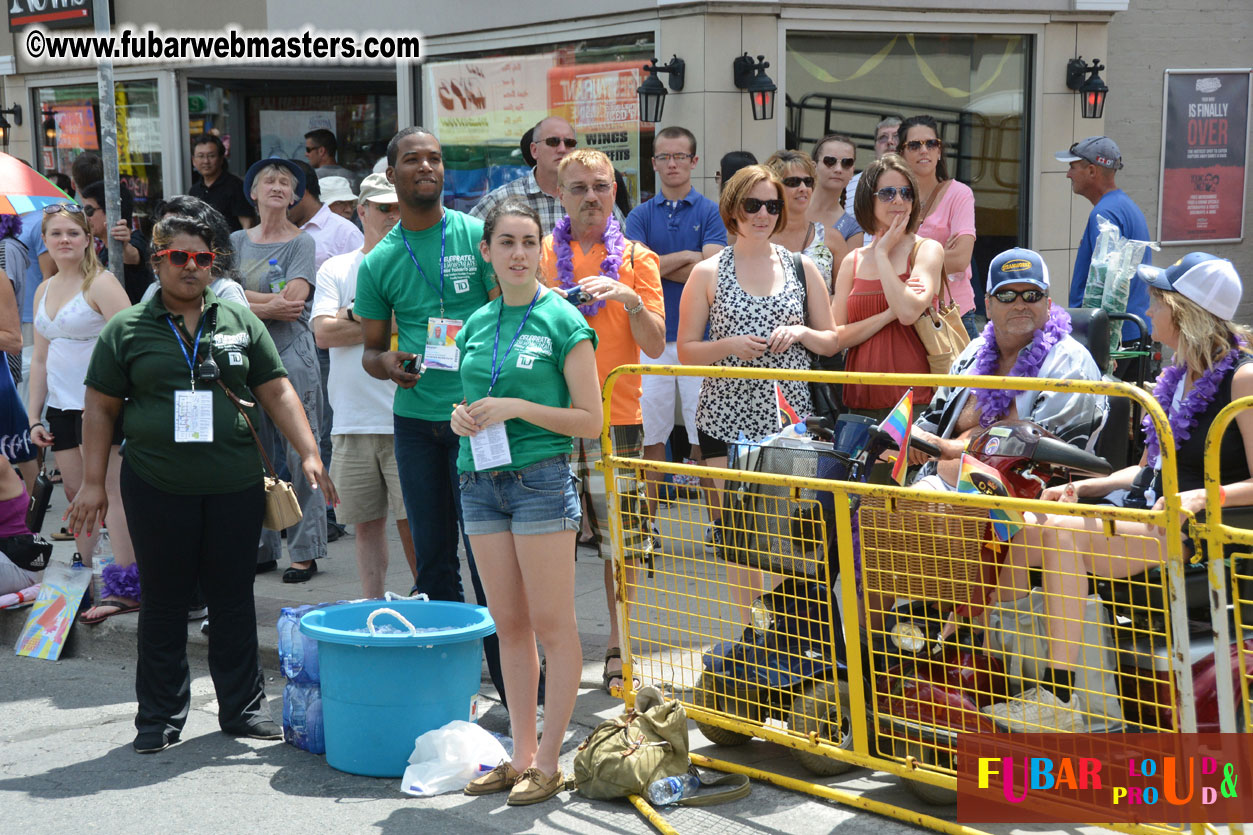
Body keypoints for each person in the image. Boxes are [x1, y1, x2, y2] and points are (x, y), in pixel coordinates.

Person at [66, 211, 337, 754]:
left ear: (215, 262)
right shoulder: (128, 328)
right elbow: (98, 409)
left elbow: (277, 390)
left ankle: (243, 709)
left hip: (233, 485)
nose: (191, 268)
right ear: (159, 259)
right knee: (165, 601)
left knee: (233, 598)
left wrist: (309, 453)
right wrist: (93, 483)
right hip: (156, 485)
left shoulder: (238, 318)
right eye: (178, 257)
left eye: (203, 258)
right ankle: (159, 717)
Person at [985, 252, 1251, 731]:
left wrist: (1202, 498)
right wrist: (1085, 486)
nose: (1149, 313)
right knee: (1032, 526)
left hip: (1200, 531)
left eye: (1156, 303)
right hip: (1151, 514)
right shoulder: (1177, 376)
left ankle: (1067, 697)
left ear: (1185, 311)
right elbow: (1150, 469)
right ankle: (1001, 667)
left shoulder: (1243, 378)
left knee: (1065, 536)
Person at [454, 199, 600, 806]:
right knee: (508, 627)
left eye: (528, 242)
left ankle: (549, 760)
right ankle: (518, 757)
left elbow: (590, 421)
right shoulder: (476, 321)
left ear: (540, 249)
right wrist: (460, 419)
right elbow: (466, 400)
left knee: (552, 627)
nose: (517, 253)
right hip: (479, 482)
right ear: (486, 251)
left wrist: (517, 409)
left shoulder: (562, 319)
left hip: (541, 480)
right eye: (505, 242)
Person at [356, 128, 505, 699]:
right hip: (417, 425)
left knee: (490, 555)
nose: (426, 166)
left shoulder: (475, 236)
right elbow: (370, 351)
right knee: (436, 562)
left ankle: (520, 682)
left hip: (478, 420)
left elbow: (510, 313)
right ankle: (449, 681)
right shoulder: (380, 262)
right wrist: (388, 362)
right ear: (392, 176)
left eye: (435, 158)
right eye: (413, 159)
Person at [677, 164, 838, 622]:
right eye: (753, 205)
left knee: (789, 529)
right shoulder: (708, 271)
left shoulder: (802, 267)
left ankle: (789, 629)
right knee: (738, 529)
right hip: (725, 419)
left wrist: (802, 331)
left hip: (790, 420)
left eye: (772, 205)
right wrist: (729, 347)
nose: (764, 214)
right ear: (733, 209)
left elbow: (832, 340)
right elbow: (687, 350)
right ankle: (751, 626)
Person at [539, 148, 665, 694]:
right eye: (580, 188)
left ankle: (620, 644)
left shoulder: (638, 257)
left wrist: (631, 299)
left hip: (619, 420)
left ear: (616, 190)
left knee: (623, 543)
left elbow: (656, 345)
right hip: (549, 421)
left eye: (601, 186)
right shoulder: (540, 253)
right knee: (550, 541)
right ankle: (557, 647)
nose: (592, 196)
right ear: (559, 194)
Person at [912, 248, 1108, 486]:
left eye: (1032, 295)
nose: (1019, 304)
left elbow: (1046, 459)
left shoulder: (1070, 363)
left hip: (1028, 505)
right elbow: (931, 423)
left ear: (1048, 303)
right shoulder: (971, 355)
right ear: (988, 305)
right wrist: (905, 438)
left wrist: (952, 448)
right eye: (1006, 295)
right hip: (941, 489)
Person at [28, 203, 139, 623]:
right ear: (46, 240)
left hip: (103, 406)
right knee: (76, 496)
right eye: (56, 234)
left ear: (88, 239)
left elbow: (133, 343)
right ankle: (86, 576)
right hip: (60, 407)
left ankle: (127, 585)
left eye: (72, 233)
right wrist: (34, 417)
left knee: (110, 496)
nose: (64, 241)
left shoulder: (102, 283)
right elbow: (40, 359)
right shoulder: (44, 288)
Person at [311, 173, 417, 598]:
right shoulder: (336, 267)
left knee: (415, 526)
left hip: (408, 417)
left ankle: (428, 603)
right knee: (366, 527)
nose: (393, 215)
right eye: (383, 207)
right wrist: (376, 319)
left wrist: (349, 316)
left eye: (398, 207)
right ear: (362, 210)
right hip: (352, 421)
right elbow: (322, 335)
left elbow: (431, 330)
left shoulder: (419, 265)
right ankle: (371, 610)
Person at [624, 126, 726, 548]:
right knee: (651, 435)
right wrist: (689, 257)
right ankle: (646, 529)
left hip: (698, 341)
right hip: (650, 341)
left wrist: (659, 264)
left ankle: (721, 528)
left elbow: (715, 270)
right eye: (664, 156)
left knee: (708, 436)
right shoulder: (639, 215)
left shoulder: (711, 211)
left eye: (680, 156)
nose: (672, 164)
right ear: (653, 163)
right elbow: (632, 270)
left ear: (694, 162)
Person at [232, 158, 325, 583]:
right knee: (255, 454)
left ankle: (304, 551)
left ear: (293, 196)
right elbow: (219, 296)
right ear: (252, 192)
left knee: (300, 452)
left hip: (291, 354)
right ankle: (262, 546)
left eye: (285, 183)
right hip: (245, 353)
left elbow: (294, 301)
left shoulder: (301, 243)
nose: (275, 186)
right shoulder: (234, 240)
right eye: (267, 180)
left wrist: (243, 302)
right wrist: (266, 304)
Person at [832, 154, 944, 420]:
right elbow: (835, 337)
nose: (898, 200)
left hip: (914, 402)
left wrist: (881, 255)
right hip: (860, 402)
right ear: (867, 200)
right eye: (887, 193)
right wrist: (886, 315)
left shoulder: (926, 250)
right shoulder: (853, 260)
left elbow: (906, 313)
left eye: (906, 193)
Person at [1055, 136, 1152, 343]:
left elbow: (1102, 285)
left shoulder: (1106, 213)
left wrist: (1100, 342)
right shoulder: (1122, 205)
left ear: (1091, 171)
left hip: (1113, 338)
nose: (1068, 174)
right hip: (1127, 332)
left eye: (1073, 167)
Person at [470, 116, 625, 235]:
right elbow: (466, 240)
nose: (562, 149)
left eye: (570, 143)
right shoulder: (503, 199)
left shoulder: (595, 197)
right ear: (534, 150)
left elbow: (623, 245)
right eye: (553, 142)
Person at [896, 115, 978, 337]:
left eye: (931, 144)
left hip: (952, 313)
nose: (924, 150)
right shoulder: (893, 197)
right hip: (906, 313)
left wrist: (904, 257)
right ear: (901, 154)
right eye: (914, 145)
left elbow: (961, 259)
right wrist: (938, 254)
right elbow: (878, 256)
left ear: (940, 151)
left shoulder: (959, 193)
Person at [143, 196, 250, 308]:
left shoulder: (224, 291)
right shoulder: (154, 291)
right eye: (178, 256)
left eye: (200, 257)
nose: (191, 266)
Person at [765, 150, 834, 291]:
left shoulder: (832, 239)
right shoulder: (758, 236)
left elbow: (843, 299)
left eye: (808, 182)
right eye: (793, 182)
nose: (803, 188)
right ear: (775, 187)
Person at [80, 180, 156, 305]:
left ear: (111, 211)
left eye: (89, 210)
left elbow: (133, 257)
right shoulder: (104, 251)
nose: (85, 217)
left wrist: (124, 246)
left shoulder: (137, 239)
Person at [287, 161, 365, 271]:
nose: (348, 210)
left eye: (351, 204)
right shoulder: (278, 230)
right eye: (340, 203)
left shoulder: (347, 233)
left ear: (301, 193)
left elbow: (364, 277)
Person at [808, 133, 864, 286]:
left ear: (852, 170)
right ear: (814, 166)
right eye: (830, 161)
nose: (838, 169)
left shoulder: (852, 230)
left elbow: (844, 289)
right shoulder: (790, 208)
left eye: (846, 163)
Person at [188, 133, 255, 232]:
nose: (206, 161)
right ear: (193, 160)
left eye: (211, 156)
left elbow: (248, 225)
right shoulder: (194, 191)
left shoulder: (236, 186)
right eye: (200, 156)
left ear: (221, 159)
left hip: (230, 246)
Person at [845, 116, 901, 205]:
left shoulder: (918, 182)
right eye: (883, 137)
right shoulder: (853, 186)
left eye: (896, 137)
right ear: (875, 147)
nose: (890, 141)